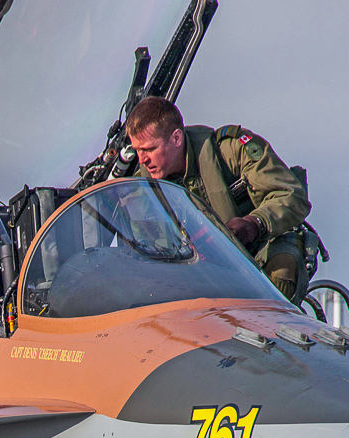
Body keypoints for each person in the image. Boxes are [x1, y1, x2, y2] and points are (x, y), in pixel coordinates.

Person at [124, 95, 312, 298]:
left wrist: (253, 224)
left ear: (176, 138)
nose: (142, 160)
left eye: (150, 149)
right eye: (137, 150)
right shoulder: (140, 189)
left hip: (255, 254)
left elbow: (290, 195)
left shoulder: (230, 151)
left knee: (282, 266)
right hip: (196, 274)